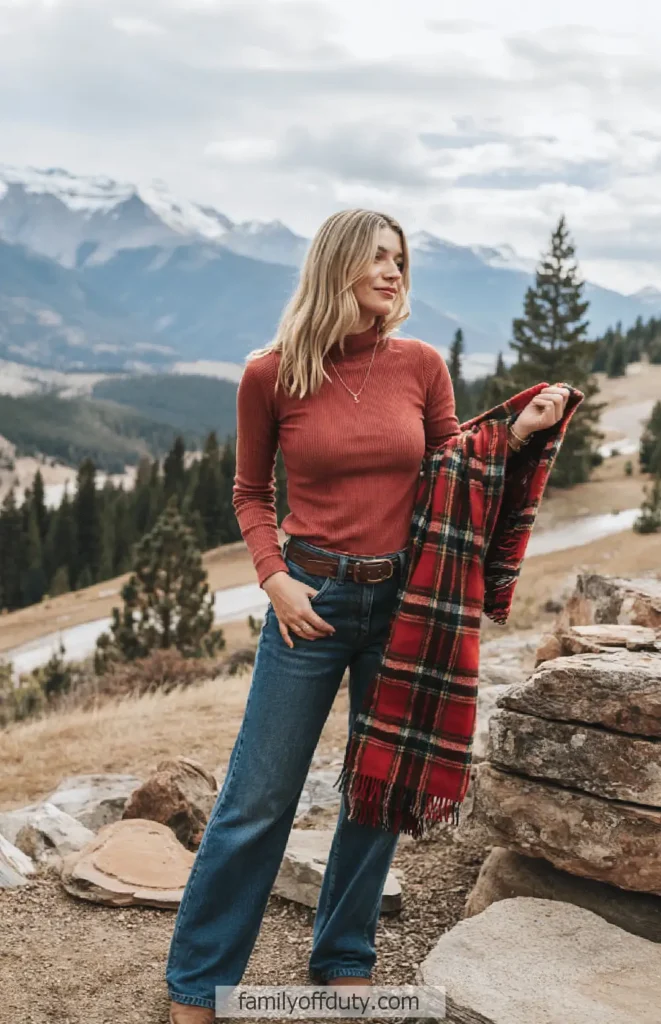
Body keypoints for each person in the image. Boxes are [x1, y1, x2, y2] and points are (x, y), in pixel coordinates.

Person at [166, 208, 556, 1023]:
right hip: (310, 600)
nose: (392, 271)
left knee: (376, 787)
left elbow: (456, 467)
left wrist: (514, 435)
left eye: (399, 259)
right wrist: (273, 581)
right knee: (258, 796)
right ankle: (201, 984)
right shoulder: (270, 374)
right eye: (377, 257)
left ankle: (343, 954)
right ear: (336, 263)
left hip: (406, 602)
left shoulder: (417, 364)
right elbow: (248, 493)